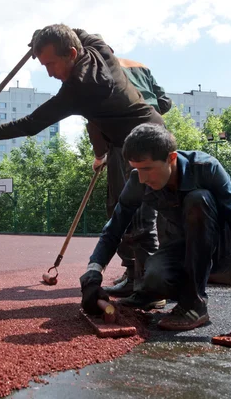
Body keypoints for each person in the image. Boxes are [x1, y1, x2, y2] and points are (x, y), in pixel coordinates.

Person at [0, 24, 165, 308]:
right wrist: (41, 35)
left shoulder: (81, 89)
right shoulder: (97, 47)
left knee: (140, 218)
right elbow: (79, 31)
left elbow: (30, 124)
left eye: (51, 64)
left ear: (72, 54)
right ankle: (135, 276)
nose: (49, 72)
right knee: (118, 210)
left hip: (145, 142)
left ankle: (153, 290)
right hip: (120, 143)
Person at [79, 123, 231, 333]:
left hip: (221, 252)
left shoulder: (206, 168)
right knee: (155, 278)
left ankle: (194, 303)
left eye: (147, 168)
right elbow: (114, 227)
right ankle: (151, 296)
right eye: (136, 169)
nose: (142, 178)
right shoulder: (139, 180)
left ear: (171, 159)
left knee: (198, 199)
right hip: (181, 248)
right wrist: (93, 274)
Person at [92, 57, 173, 298]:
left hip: (124, 140)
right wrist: (148, 110)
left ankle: (136, 276)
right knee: (151, 206)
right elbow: (165, 102)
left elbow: (95, 118)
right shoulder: (140, 66)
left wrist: (99, 155)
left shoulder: (97, 69)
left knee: (124, 206)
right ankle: (145, 274)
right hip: (155, 135)